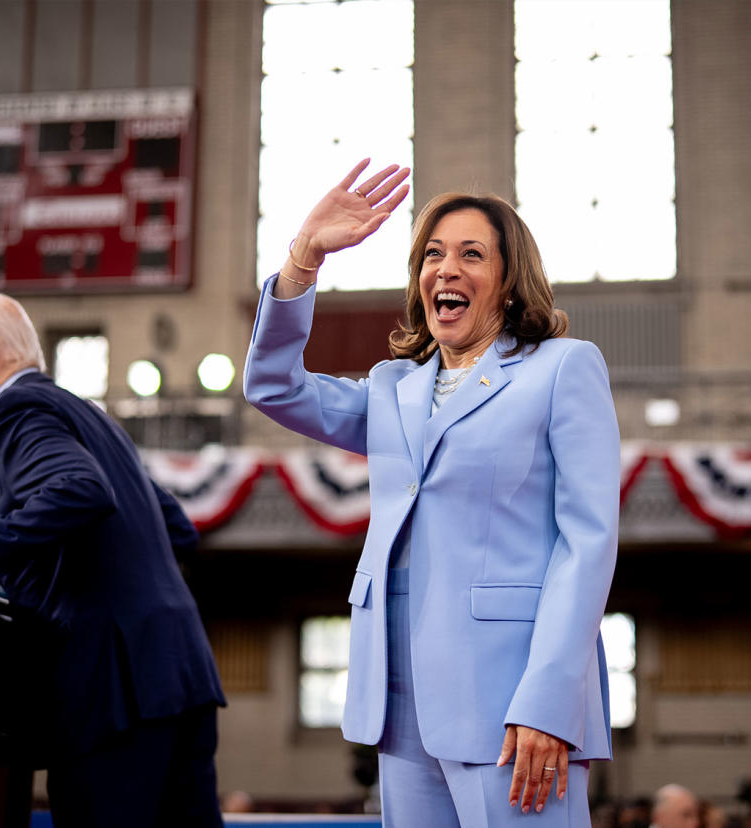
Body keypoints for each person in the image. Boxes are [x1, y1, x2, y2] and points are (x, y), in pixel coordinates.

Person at [244, 160, 620, 826]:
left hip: (512, 703)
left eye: (471, 254)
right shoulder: (394, 388)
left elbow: (586, 545)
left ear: (507, 282)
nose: (445, 268)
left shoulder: (563, 368)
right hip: (400, 704)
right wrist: (304, 257)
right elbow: (274, 386)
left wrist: (548, 701)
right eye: (433, 255)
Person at [0, 293, 226, 827]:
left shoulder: (17, 409)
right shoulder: (92, 417)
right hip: (177, 674)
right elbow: (176, 527)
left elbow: (79, 490)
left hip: (112, 695)